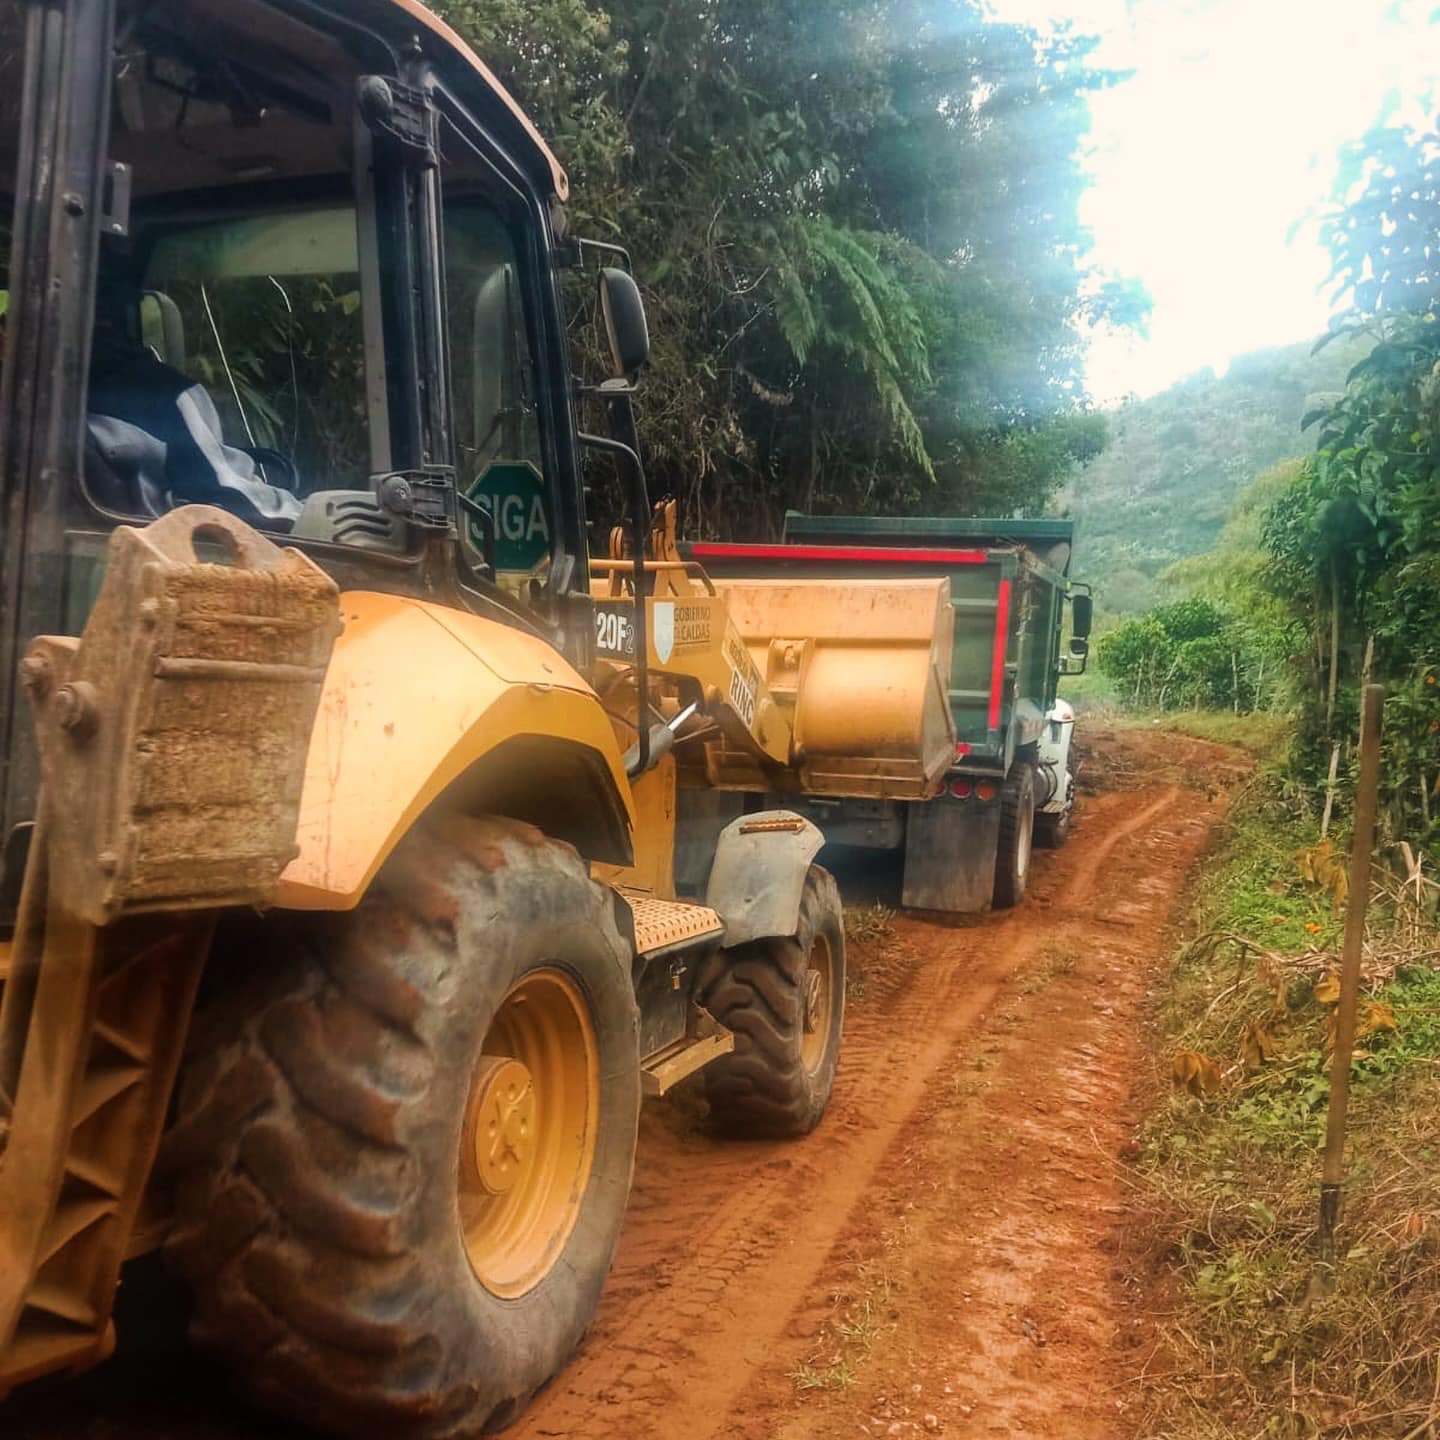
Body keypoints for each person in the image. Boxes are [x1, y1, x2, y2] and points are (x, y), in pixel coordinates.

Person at [85, 280, 301, 528]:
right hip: (168, 551)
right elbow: (230, 498)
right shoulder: (164, 395)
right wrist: (306, 516)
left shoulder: (56, 395)